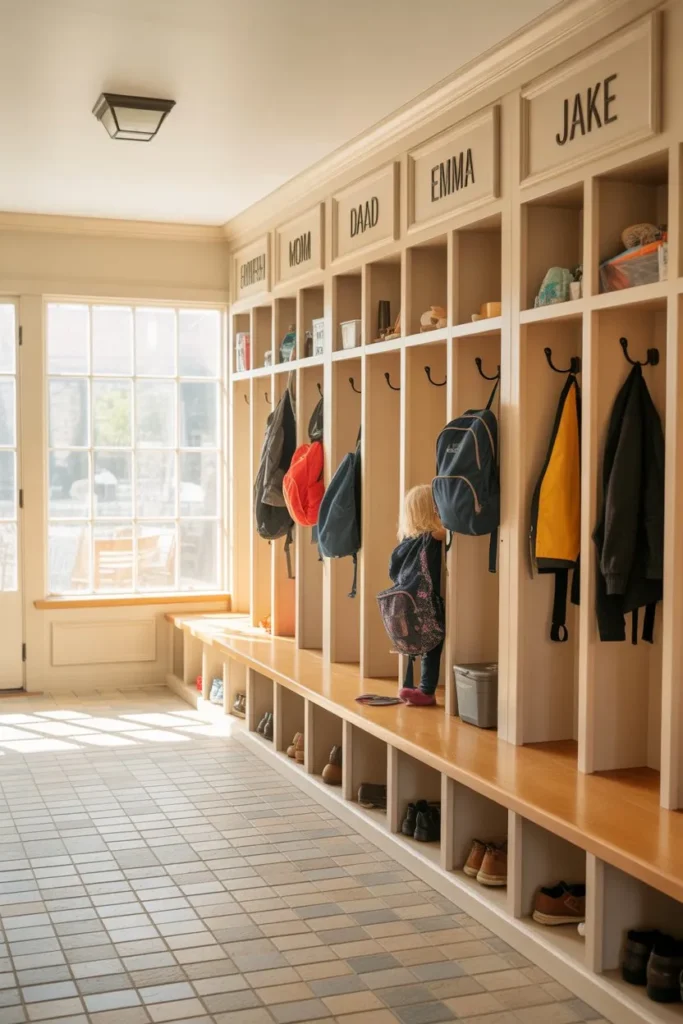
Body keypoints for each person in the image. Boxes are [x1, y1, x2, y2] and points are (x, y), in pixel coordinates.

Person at [390, 484, 446, 707]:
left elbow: (393, 571)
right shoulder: (432, 538)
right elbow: (451, 529)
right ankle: (426, 690)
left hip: (409, 604)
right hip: (428, 603)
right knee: (432, 646)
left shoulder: (404, 544)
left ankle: (412, 685)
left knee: (421, 645)